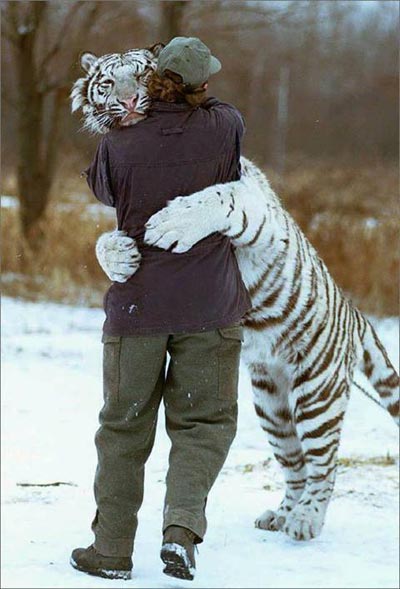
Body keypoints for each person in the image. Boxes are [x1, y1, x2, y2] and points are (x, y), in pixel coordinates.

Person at [70, 36, 251, 581]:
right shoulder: (226, 125)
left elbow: (104, 193)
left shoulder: (118, 143)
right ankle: (180, 530)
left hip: (137, 309)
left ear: (151, 79)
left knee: (124, 428)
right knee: (203, 424)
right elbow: (231, 165)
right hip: (210, 306)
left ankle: (111, 551)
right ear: (202, 81)